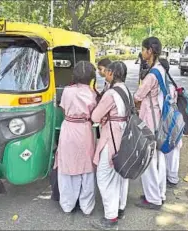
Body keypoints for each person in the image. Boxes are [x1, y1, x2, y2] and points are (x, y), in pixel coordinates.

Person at [53, 61, 97, 216]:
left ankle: (67, 204)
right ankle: (87, 206)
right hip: (85, 129)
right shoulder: (92, 94)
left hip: (69, 128)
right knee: (86, 167)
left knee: (67, 166)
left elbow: (63, 108)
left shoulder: (67, 91)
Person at [90, 61, 130, 230]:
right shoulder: (125, 90)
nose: (105, 74)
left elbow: (95, 117)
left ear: (112, 73)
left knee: (104, 176)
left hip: (111, 137)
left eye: (107, 72)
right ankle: (118, 208)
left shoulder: (111, 94)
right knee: (117, 176)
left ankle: (110, 217)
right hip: (124, 136)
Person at [133, 37, 166, 210]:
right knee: (158, 158)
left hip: (149, 121)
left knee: (149, 160)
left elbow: (138, 96)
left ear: (149, 51)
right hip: (158, 118)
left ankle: (153, 199)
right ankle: (158, 193)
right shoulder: (161, 70)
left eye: (143, 49)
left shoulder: (152, 75)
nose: (142, 53)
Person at [159, 58, 183, 187]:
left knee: (165, 148)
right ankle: (172, 176)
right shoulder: (172, 84)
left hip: (166, 120)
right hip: (175, 119)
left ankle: (168, 177)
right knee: (174, 148)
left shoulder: (162, 85)